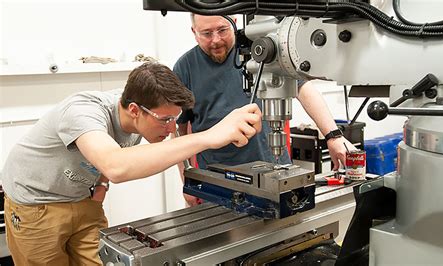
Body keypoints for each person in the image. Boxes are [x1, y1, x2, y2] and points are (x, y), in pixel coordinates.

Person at [1, 62, 262, 266]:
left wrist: (100, 185)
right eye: (165, 120)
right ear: (135, 109)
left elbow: (122, 162)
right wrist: (208, 137)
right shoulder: (81, 111)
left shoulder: (142, 117)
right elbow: (116, 166)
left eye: (176, 118)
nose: (172, 127)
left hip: (84, 200)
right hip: (35, 205)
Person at [174, 14, 356, 206]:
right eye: (206, 33)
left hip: (276, 171)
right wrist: (187, 180)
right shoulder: (185, 68)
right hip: (218, 181)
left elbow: (303, 88)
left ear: (234, 23)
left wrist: (333, 136)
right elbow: (180, 132)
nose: (216, 40)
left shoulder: (265, 50)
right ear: (194, 32)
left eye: (222, 30)